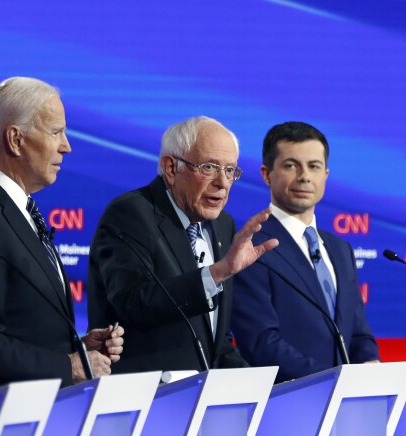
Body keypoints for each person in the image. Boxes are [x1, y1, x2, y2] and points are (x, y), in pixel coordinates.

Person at [0, 77, 123, 390]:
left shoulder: (14, 209)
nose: (67, 146)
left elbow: (23, 325)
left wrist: (78, 349)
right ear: (16, 139)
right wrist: (67, 365)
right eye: (56, 132)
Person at [88, 116, 277, 374]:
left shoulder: (223, 225)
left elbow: (213, 339)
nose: (222, 183)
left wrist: (259, 385)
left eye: (230, 170)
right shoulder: (131, 214)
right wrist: (217, 273)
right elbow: (133, 303)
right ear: (170, 168)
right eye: (209, 167)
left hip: (199, 399)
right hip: (147, 396)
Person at [231, 121, 379, 382]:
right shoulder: (252, 245)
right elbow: (260, 342)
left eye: (314, 166)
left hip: (347, 402)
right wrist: (332, 379)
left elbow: (357, 330)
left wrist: (370, 364)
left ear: (326, 175)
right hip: (288, 401)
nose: (304, 176)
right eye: (291, 165)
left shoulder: (339, 248)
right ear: (266, 174)